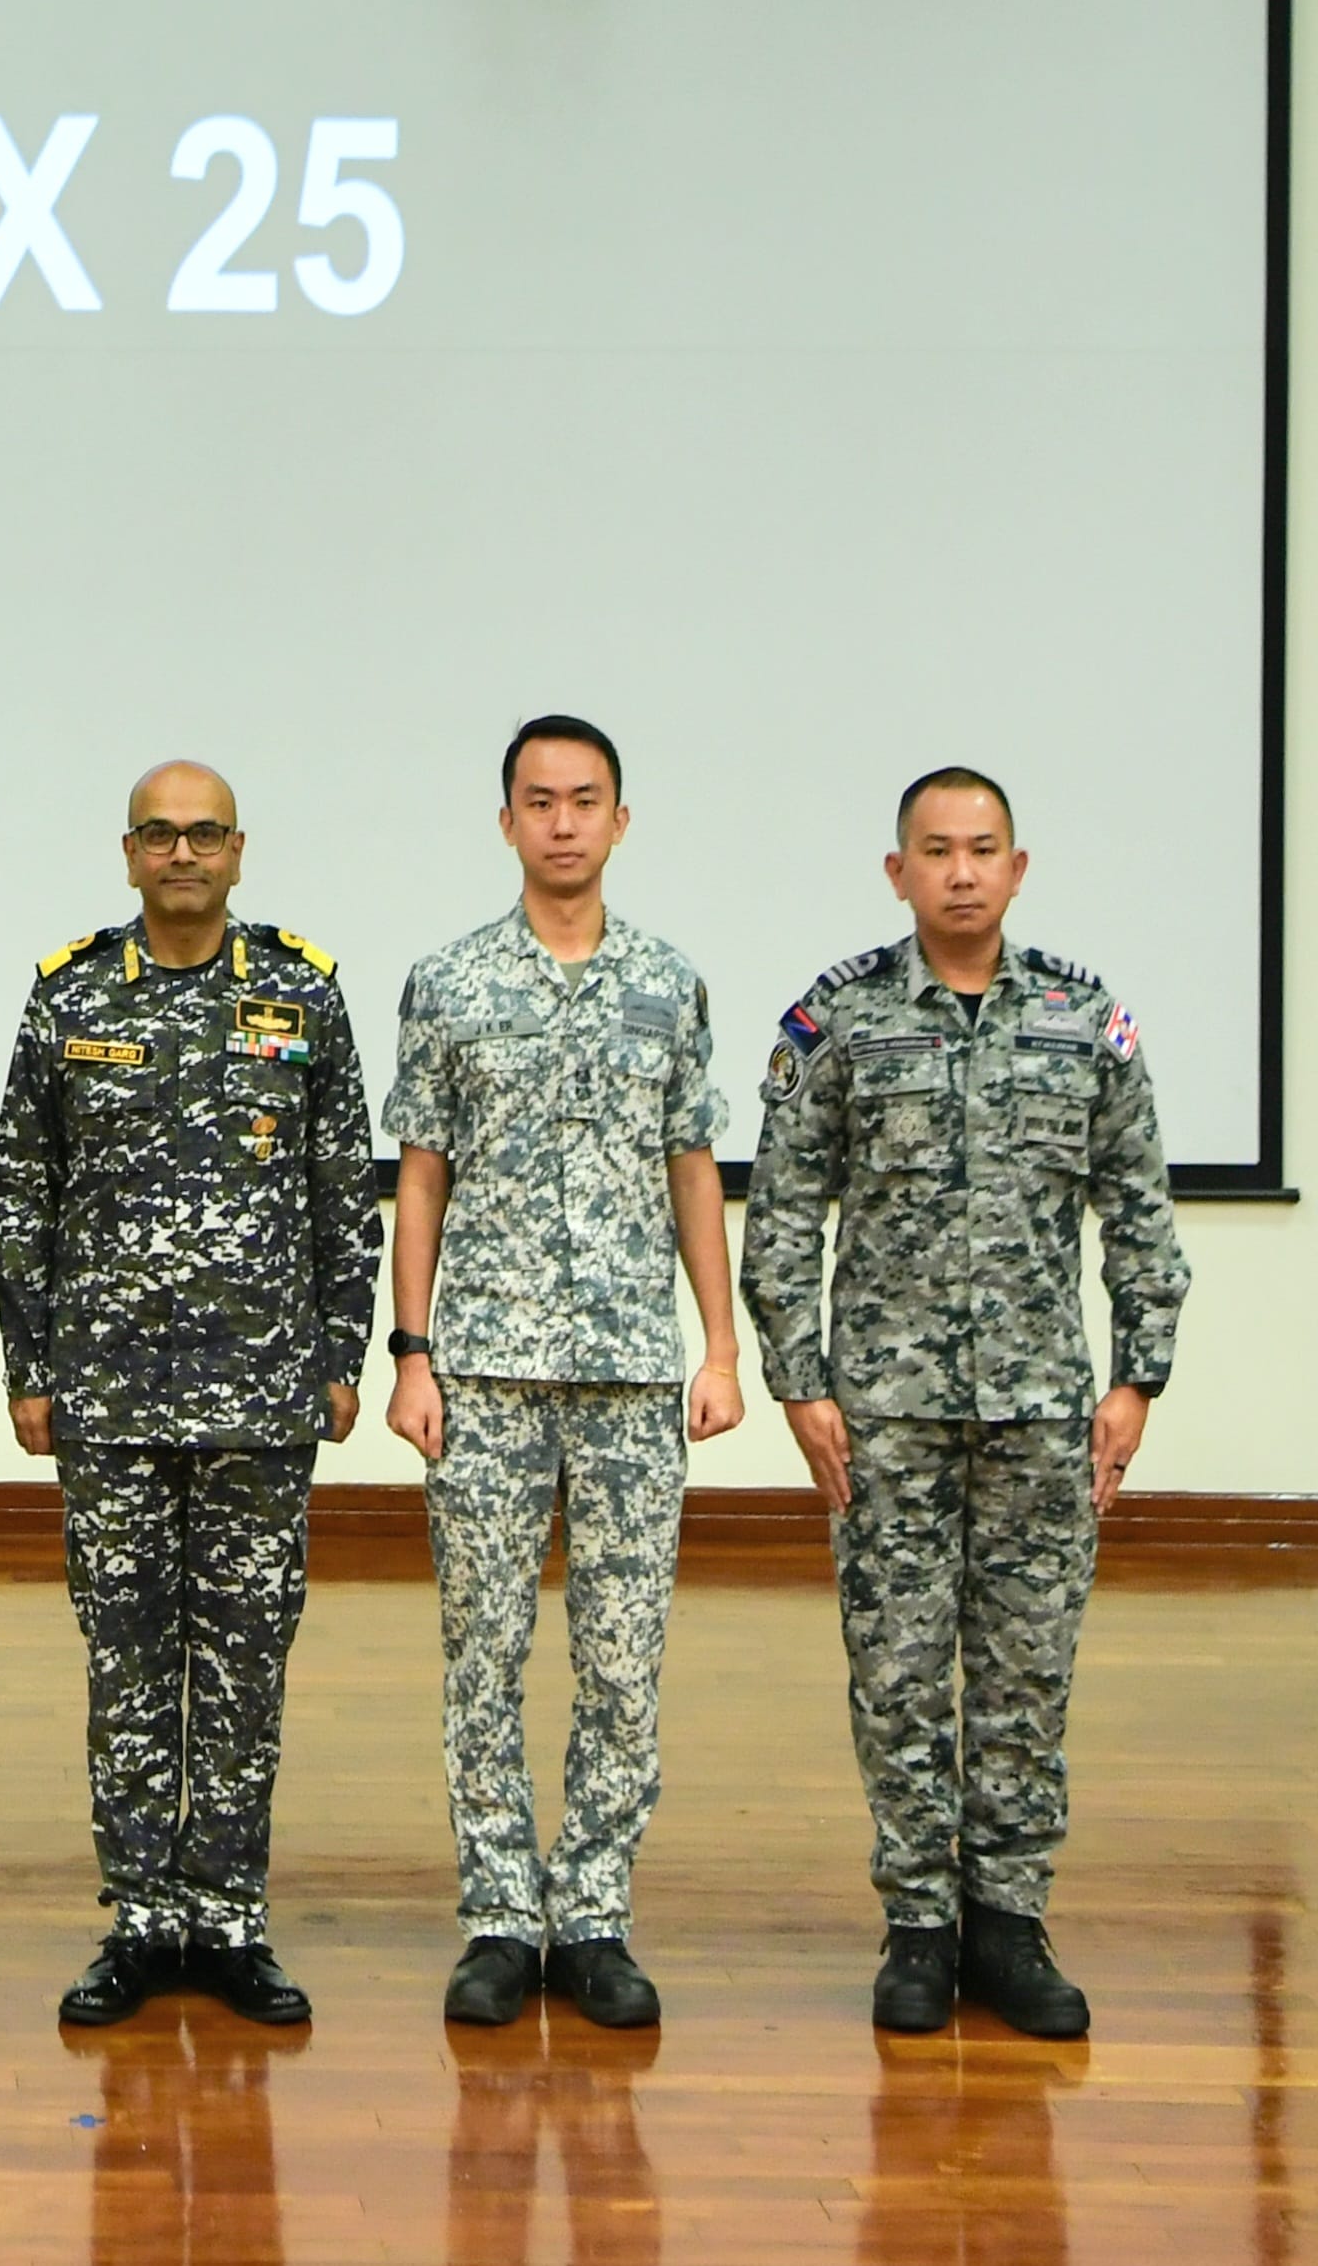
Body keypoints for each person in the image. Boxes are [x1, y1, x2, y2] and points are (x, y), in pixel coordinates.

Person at [742, 768, 1186, 2039]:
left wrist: (1135, 1377)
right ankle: (917, 1925)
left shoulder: (1081, 1019)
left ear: (1015, 866)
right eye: (933, 850)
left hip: (1041, 1409)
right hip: (883, 1413)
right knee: (894, 1671)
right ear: (897, 872)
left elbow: (1138, 1212)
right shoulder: (840, 1020)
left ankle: (1007, 1922)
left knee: (1024, 1671)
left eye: (980, 848)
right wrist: (799, 1382)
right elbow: (781, 1213)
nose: (958, 871)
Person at [0, 761, 378, 2029]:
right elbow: (21, 1188)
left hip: (257, 1395)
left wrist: (339, 1353)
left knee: (243, 1659)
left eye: (202, 833)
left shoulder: (298, 991)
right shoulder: (70, 994)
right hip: (107, 1393)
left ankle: (227, 1915)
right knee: (125, 1660)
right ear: (126, 852)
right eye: (157, 833)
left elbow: (340, 1185)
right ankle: (141, 1918)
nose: (180, 853)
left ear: (237, 849)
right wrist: (31, 1365)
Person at [383, 714, 747, 2032]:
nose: (560, 821)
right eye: (536, 800)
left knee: (621, 1657)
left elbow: (690, 1166)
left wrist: (719, 1345)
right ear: (505, 823)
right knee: (478, 1652)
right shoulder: (447, 981)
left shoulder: (667, 983)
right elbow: (419, 1172)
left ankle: (591, 1913)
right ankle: (497, 1914)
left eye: (583, 799)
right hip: (482, 1368)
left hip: (628, 1374)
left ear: (618, 820)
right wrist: (410, 1349)